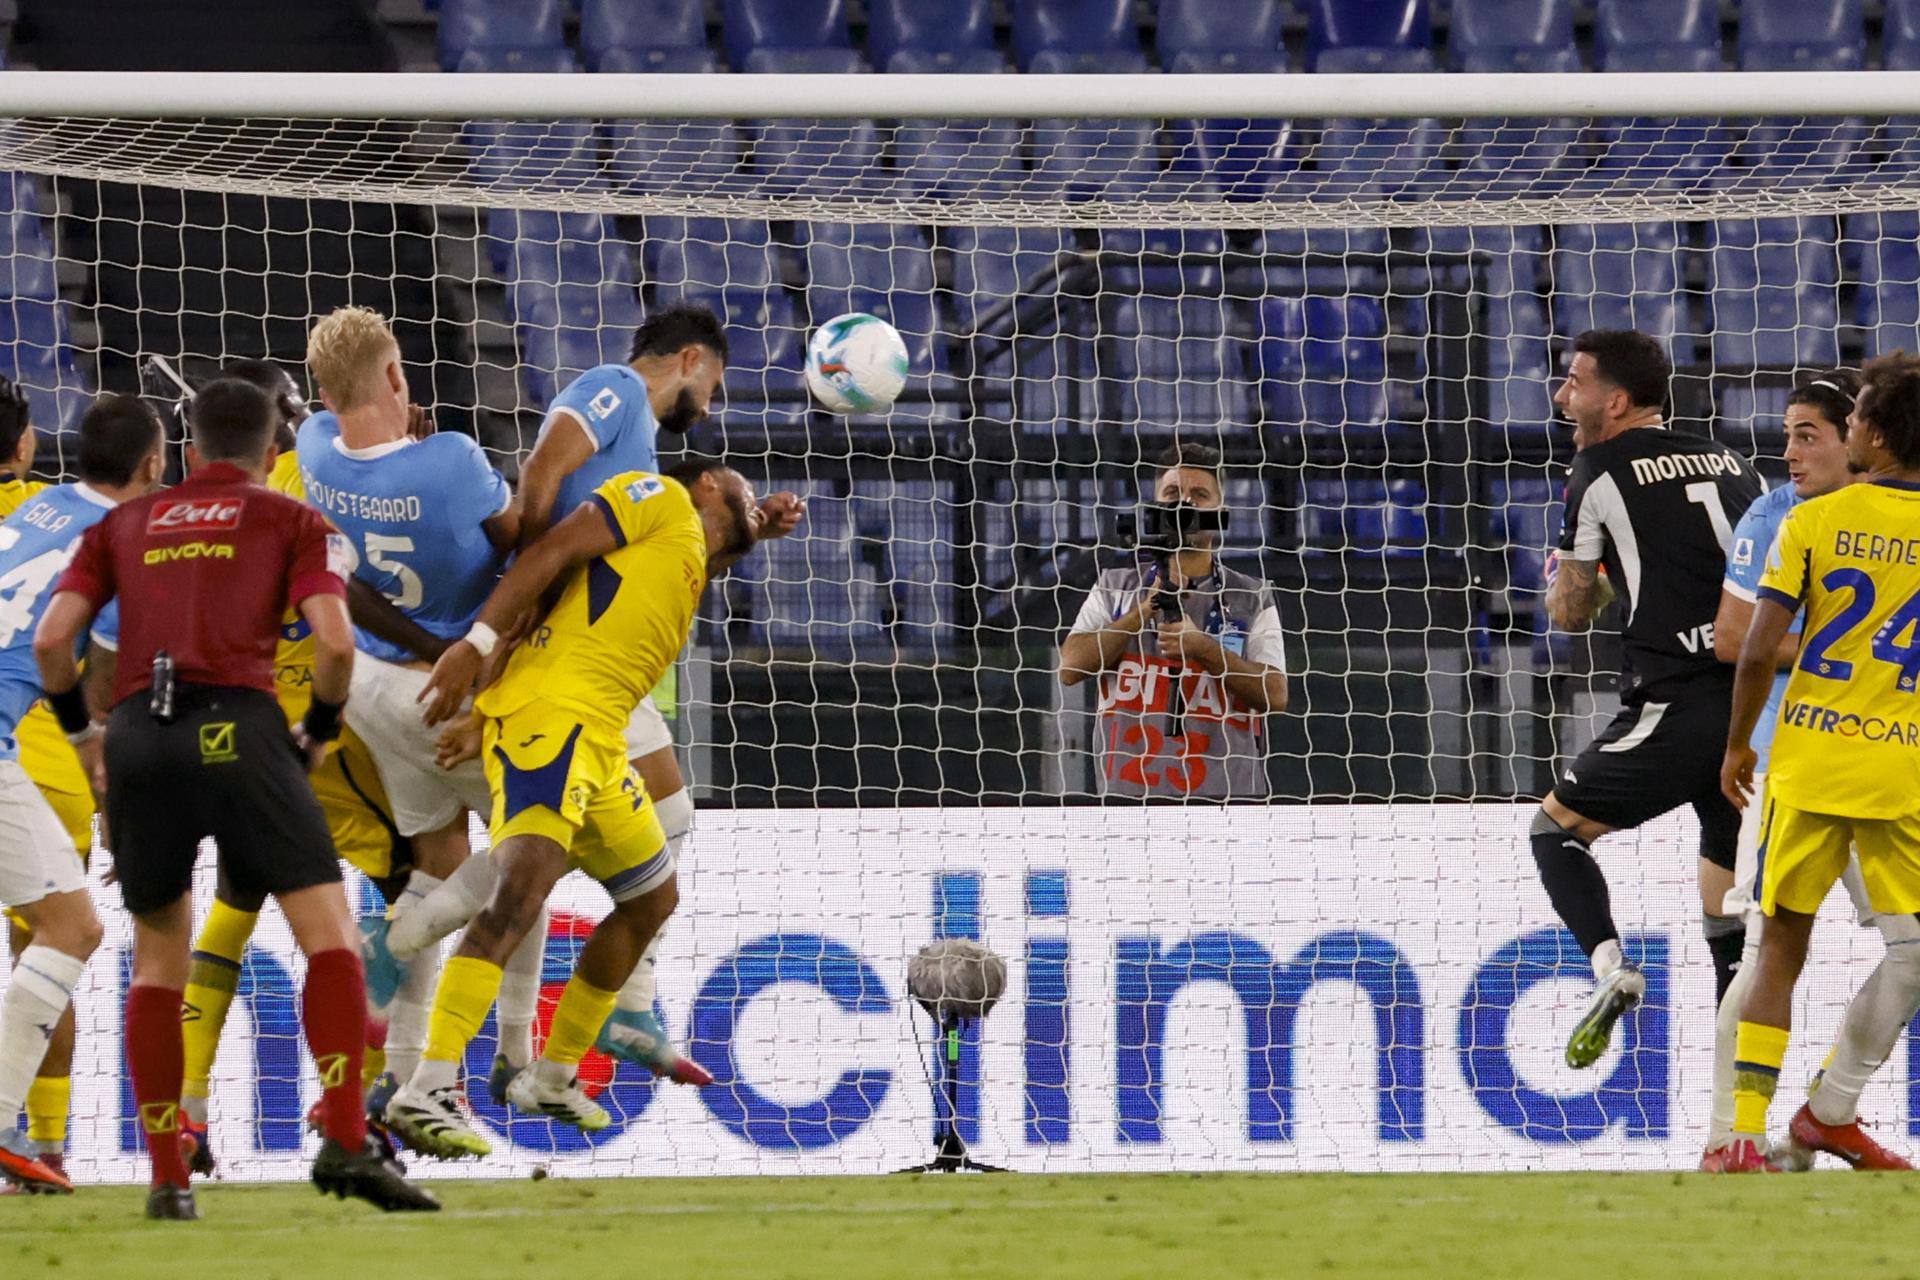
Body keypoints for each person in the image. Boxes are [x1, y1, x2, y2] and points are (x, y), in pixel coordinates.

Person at [33, 377, 436, 1218]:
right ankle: (346, 1144)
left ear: (185, 452)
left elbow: (53, 640)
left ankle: (167, 1179)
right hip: (241, 727)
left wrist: (86, 739)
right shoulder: (294, 520)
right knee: (328, 937)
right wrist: (319, 733)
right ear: (269, 450)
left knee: (157, 960)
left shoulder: (121, 524)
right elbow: (333, 644)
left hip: (141, 733)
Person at [365, 303, 774, 1087]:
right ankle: (463, 1027)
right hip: (567, 656)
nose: (711, 406)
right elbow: (544, 474)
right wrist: (520, 601)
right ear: (689, 360)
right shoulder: (615, 388)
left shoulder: (647, 453)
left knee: (554, 853)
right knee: (589, 842)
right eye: (714, 385)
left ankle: (491, 1014)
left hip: (579, 648)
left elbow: (635, 558)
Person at [382, 460, 760, 1158]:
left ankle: (552, 1075)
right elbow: (549, 552)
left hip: (599, 739)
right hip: (555, 718)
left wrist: (490, 701)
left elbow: (556, 598)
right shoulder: (659, 496)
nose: (756, 500)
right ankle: (427, 1086)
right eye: (746, 489)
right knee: (520, 890)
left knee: (651, 899)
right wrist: (476, 649)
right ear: (707, 482)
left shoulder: (684, 563)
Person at [170, 356, 432, 1174]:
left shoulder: (182, 510)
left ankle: (186, 1110)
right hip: (310, 726)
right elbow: (342, 602)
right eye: (291, 409)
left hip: (212, 728)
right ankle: (364, 1093)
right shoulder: (301, 481)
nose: (302, 421)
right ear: (276, 419)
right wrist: (435, 649)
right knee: (416, 886)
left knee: (236, 903)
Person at [295, 306, 553, 1121]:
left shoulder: (308, 451)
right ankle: (514, 1053)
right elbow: (517, 540)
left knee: (436, 871)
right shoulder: (454, 461)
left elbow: (346, 559)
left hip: (374, 689)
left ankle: (404, 1076)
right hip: (459, 693)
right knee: (532, 853)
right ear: (398, 377)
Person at [1703, 371, 1920, 1172]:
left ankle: (1757, 1132)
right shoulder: (1782, 511)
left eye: (1849, 420)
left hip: (1806, 759)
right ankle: (1798, 1116)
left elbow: (1753, 648)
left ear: (1874, 438)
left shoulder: (1815, 522)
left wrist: (1734, 748)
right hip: (1901, 773)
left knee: (1776, 947)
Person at [1529, 329, 1762, 1070]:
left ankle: (1610, 968)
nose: (1564, 398)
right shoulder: (1737, 465)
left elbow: (1569, 614)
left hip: (1676, 703)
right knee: (1723, 889)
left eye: (1575, 383)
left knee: (1555, 831)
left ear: (1618, 401)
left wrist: (1570, 579)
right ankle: (1735, 1103)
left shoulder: (1594, 469)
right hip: (1755, 711)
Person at [0, 393, 163, 1193]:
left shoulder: (40, 511)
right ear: (154, 465)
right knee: (70, 927)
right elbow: (99, 689)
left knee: (64, 925)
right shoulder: (123, 543)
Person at [0, 380, 104, 1190]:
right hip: (42, 761)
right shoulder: (59, 514)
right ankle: (42, 1140)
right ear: (26, 444)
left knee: (60, 932)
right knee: (55, 937)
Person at [1059, 441, 1288, 799]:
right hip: (1130, 807)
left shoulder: (1252, 596)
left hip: (1229, 810)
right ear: (1155, 506)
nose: (1185, 503)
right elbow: (1071, 666)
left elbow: (1275, 694)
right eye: (1173, 493)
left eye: (1200, 494)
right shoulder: (1115, 585)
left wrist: (1205, 650)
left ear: (1221, 511)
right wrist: (1142, 613)